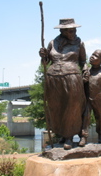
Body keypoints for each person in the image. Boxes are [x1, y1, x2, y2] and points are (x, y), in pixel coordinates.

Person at [39, 18, 87, 150]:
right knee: (56, 107)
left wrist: (85, 69)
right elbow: (44, 64)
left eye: (74, 30)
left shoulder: (79, 43)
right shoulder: (52, 43)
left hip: (72, 77)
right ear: (62, 31)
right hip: (53, 78)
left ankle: (69, 136)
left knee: (72, 107)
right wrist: (43, 56)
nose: (73, 32)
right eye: (70, 31)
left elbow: (83, 61)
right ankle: (61, 133)